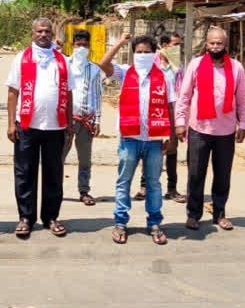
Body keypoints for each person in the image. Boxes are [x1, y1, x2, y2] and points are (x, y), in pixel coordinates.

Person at [99, 33, 176, 245]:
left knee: (153, 183)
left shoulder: (163, 76)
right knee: (124, 182)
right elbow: (103, 63)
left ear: (154, 54)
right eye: (138, 52)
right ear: (133, 54)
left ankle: (154, 223)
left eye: (146, 52)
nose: (142, 55)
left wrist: (169, 133)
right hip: (129, 139)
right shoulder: (125, 73)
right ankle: (121, 222)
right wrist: (121, 43)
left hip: (154, 139)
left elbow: (170, 106)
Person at [175, 28, 245, 231]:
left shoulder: (236, 68)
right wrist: (180, 122)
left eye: (219, 44)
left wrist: (243, 123)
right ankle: (193, 215)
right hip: (199, 129)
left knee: (222, 175)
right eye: (212, 43)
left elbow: (242, 98)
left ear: (226, 45)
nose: (215, 47)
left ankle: (219, 213)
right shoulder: (196, 65)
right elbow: (184, 96)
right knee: (195, 175)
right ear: (206, 44)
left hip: (225, 131)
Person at [6, 18, 74, 238]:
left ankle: (51, 217)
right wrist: (10, 123)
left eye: (47, 31)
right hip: (27, 125)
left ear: (52, 34)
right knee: (25, 172)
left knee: (54, 173)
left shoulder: (62, 60)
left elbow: (69, 92)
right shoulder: (21, 58)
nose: (43, 34)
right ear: (32, 33)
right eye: (39, 31)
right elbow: (13, 91)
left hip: (55, 126)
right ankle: (26, 217)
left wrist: (70, 124)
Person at [137, 32, 185, 202]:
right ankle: (144, 186)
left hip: (171, 111)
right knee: (150, 149)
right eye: (175, 44)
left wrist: (181, 119)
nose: (178, 48)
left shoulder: (177, 66)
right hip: (153, 112)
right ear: (164, 45)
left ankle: (172, 188)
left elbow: (182, 91)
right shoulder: (151, 62)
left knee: (172, 150)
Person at [62, 29, 102, 206]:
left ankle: (84, 191)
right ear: (72, 46)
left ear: (89, 47)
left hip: (87, 119)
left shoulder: (94, 69)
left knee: (85, 158)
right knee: (59, 156)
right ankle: (56, 190)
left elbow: (97, 95)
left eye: (85, 45)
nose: (81, 48)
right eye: (78, 44)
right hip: (65, 119)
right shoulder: (64, 64)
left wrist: (98, 120)